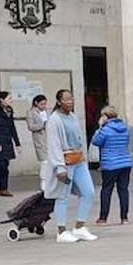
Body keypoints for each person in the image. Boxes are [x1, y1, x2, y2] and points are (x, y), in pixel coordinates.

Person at [44, 89, 97, 243]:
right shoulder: (54, 119)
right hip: (65, 161)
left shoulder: (73, 116)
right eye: (66, 99)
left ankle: (80, 227)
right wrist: (59, 168)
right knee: (62, 196)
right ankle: (61, 231)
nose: (69, 102)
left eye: (71, 99)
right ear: (59, 101)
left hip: (78, 160)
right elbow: (53, 144)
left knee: (88, 192)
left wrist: (83, 157)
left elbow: (79, 138)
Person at [92, 105, 133, 224]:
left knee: (106, 189)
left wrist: (99, 127)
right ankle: (124, 217)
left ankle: (103, 218)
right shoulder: (125, 128)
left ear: (105, 116)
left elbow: (96, 141)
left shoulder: (105, 129)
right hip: (125, 162)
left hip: (110, 163)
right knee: (123, 190)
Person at [26, 94, 50, 162]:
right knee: (44, 161)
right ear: (36, 103)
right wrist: (43, 125)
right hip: (40, 139)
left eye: (45, 104)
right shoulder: (30, 112)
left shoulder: (48, 111)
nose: (44, 106)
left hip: (50, 138)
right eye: (42, 104)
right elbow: (30, 127)